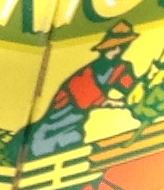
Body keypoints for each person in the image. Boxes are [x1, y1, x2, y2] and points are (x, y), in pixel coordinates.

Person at [21, 22, 140, 161]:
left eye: (123, 46)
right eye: (113, 47)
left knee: (73, 141)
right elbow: (88, 98)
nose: (117, 50)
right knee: (43, 147)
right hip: (57, 121)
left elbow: (133, 88)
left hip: (75, 125)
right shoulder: (85, 74)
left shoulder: (120, 68)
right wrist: (118, 103)